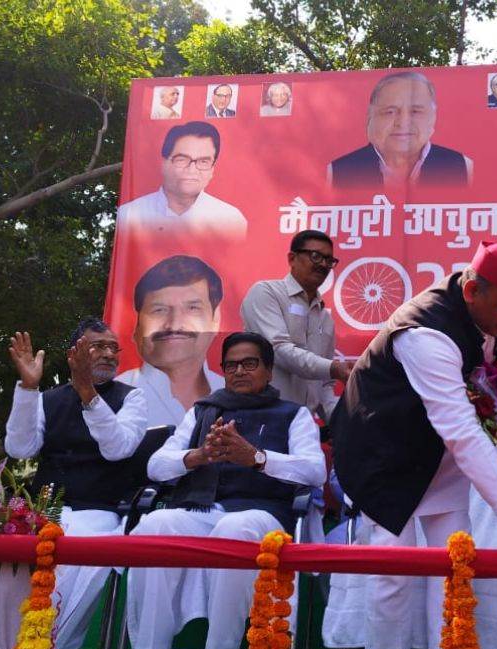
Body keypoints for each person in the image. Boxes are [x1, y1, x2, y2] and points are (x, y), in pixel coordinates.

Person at [331, 241, 497, 649]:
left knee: (452, 572)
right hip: (383, 454)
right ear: (472, 290)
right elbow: (460, 429)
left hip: (437, 460)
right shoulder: (426, 333)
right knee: (392, 579)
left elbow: (479, 379)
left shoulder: (494, 317)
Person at [125, 332, 326, 649]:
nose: (240, 371)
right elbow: (156, 466)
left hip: (262, 515)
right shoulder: (203, 410)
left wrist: (257, 458)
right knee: (155, 527)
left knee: (234, 526)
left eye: (250, 363)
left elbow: (314, 471)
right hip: (201, 511)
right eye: (231, 365)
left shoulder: (292, 414)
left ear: (268, 370)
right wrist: (198, 456)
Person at [4, 318, 148, 649]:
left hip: (96, 513)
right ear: (74, 354)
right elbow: (19, 448)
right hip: (43, 512)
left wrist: (89, 395)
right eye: (97, 346)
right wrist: (27, 387)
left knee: (72, 557)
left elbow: (118, 448)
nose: (109, 354)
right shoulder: (48, 398)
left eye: (113, 347)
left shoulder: (132, 397)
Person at [240, 230, 346, 420]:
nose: (323, 264)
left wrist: (341, 422)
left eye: (329, 260)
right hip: (262, 419)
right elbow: (278, 350)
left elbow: (324, 384)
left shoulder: (325, 318)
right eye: (315, 256)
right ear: (292, 258)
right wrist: (335, 368)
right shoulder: (266, 293)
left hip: (302, 430)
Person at [117, 255, 226, 428]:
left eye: (192, 308)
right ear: (136, 325)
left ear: (216, 319)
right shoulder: (113, 396)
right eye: (159, 310)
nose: (174, 325)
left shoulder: (232, 393)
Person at [328, 72, 473, 190]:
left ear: (433, 117)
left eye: (415, 112)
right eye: (390, 112)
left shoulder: (463, 166)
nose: (402, 122)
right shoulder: (336, 172)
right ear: (370, 117)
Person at [116, 122, 247, 239]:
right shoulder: (129, 216)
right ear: (164, 163)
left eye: (203, 161)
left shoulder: (231, 220)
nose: (192, 169)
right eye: (182, 159)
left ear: (212, 168)